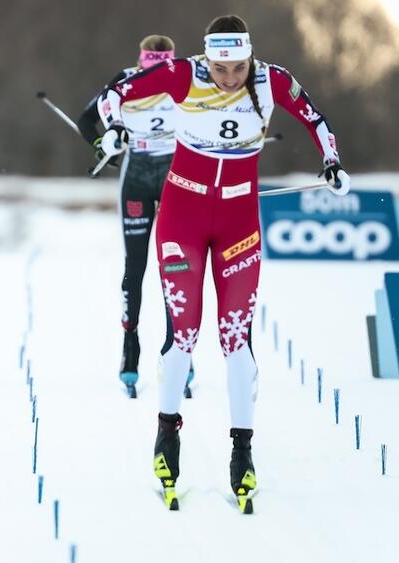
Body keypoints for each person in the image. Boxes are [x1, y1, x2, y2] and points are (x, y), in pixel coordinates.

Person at [99, 15, 349, 512]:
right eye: (220, 68)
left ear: (249, 58)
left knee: (236, 339)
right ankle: (167, 436)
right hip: (182, 218)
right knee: (184, 336)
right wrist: (111, 131)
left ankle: (242, 452)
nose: (229, 77)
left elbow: (315, 119)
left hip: (239, 221)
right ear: (206, 57)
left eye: (237, 68)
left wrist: (332, 162)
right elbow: (115, 93)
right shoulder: (183, 74)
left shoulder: (271, 78)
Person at [78, 35, 196, 399]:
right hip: (139, 177)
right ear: (141, 62)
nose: (155, 73)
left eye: (161, 66)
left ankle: (177, 352)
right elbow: (87, 121)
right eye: (150, 67)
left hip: (176, 176)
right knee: (137, 266)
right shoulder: (125, 80)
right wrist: (107, 147)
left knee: (175, 266)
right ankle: (131, 350)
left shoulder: (188, 81)